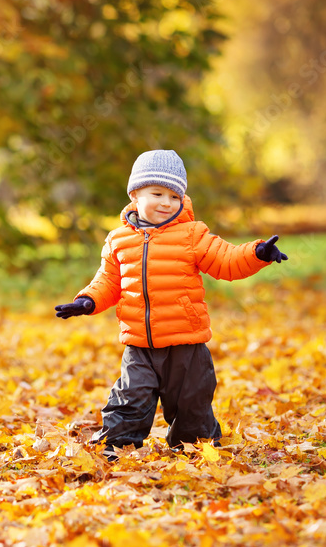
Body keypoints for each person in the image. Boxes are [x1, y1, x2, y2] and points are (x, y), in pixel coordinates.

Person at [54, 149, 287, 461]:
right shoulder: (118, 240)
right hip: (140, 346)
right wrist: (86, 301)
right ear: (135, 195)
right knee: (129, 399)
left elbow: (226, 260)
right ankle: (116, 447)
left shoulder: (192, 234)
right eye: (157, 193)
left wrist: (256, 254)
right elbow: (108, 281)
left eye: (174, 196)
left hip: (186, 345)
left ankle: (197, 449)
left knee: (192, 406)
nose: (166, 202)